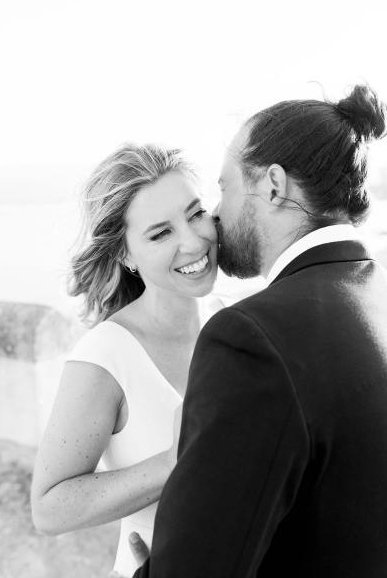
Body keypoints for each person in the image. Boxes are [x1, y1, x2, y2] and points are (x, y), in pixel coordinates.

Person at [131, 84, 387, 577]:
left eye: (224, 188)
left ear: (273, 185)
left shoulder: (251, 337)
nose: (217, 215)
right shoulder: (375, 299)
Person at [31, 143, 222, 577]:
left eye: (195, 214)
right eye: (160, 233)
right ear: (124, 254)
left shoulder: (238, 325)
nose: (193, 242)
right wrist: (174, 462)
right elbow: (49, 508)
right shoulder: (106, 356)